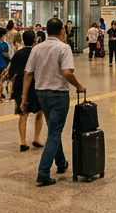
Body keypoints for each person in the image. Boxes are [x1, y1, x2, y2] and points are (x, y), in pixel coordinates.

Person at [22, 18, 84, 186]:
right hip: (58, 94)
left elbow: (28, 74)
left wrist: (24, 97)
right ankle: (43, 172)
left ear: (46, 31)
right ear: (62, 31)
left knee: (53, 129)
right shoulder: (64, 48)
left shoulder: (37, 48)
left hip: (41, 94)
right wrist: (79, 86)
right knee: (55, 133)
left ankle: (61, 163)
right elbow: (67, 72)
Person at [3, 30, 44, 151]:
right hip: (36, 86)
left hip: (20, 87)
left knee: (23, 114)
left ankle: (23, 141)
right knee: (40, 112)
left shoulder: (18, 54)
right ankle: (37, 138)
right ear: (35, 40)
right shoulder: (37, 53)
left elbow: (12, 73)